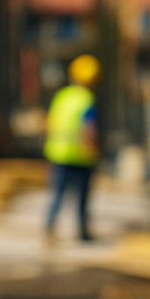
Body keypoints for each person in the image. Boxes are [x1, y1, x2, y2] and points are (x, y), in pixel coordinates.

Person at [44, 53, 100, 241]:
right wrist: (94, 150)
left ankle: (49, 229)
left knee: (57, 195)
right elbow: (89, 129)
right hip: (81, 156)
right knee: (81, 198)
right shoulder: (86, 100)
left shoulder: (62, 96)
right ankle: (83, 232)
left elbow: (50, 122)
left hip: (59, 154)